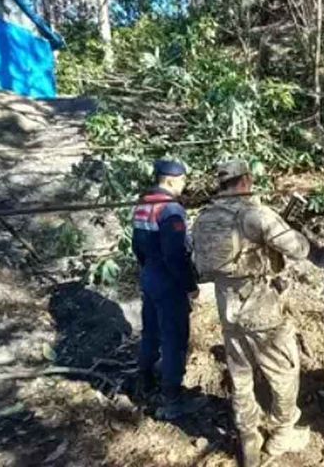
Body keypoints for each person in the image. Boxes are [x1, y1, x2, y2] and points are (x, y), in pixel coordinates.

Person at [192, 159, 311, 467]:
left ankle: (248, 436)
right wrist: (294, 234)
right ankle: (282, 434)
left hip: (227, 308)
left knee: (241, 375)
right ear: (245, 180)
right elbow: (298, 250)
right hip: (261, 309)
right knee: (284, 372)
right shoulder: (255, 214)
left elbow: (201, 264)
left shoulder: (204, 218)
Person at [132, 159, 200, 419]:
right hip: (168, 280)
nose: (184, 185)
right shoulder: (171, 209)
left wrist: (147, 268)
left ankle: (145, 380)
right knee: (174, 338)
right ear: (171, 180)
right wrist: (190, 286)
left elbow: (136, 245)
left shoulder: (143, 204)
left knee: (151, 330)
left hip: (149, 274)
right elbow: (176, 255)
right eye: (183, 181)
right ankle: (172, 399)